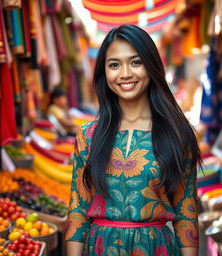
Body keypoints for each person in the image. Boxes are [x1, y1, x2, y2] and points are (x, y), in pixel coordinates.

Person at [65, 24, 202, 256]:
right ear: (104, 72)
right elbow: (78, 210)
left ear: (151, 66)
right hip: (100, 249)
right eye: (114, 65)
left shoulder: (178, 135)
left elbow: (186, 216)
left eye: (136, 62)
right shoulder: (88, 135)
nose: (125, 73)